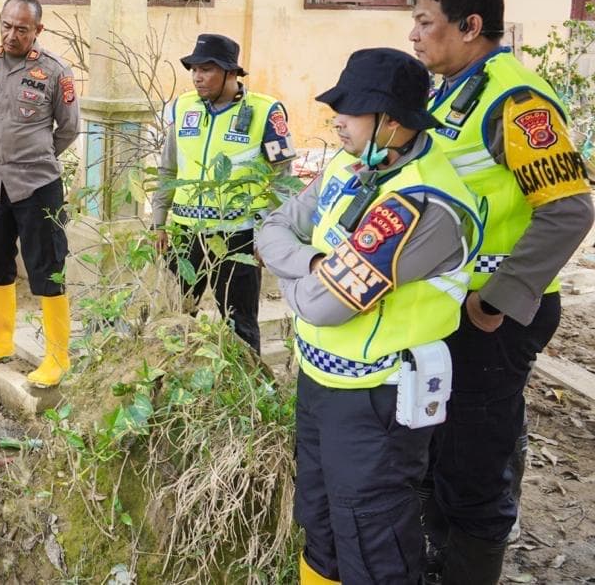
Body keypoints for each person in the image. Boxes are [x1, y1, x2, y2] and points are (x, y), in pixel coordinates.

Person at [256, 48, 483, 585]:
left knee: (372, 541)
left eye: (350, 110)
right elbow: (272, 227)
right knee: (320, 521)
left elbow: (320, 306)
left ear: (394, 122)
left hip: (376, 400)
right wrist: (313, 263)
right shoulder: (348, 165)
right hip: (320, 381)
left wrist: (296, 279)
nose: (336, 119)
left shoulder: (421, 203)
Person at [409, 0, 594, 583]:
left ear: (470, 26)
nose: (414, 35)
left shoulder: (514, 101)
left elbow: (569, 211)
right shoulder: (453, 90)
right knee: (444, 448)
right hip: (451, 311)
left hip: (493, 317)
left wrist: (497, 297)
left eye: (425, 22)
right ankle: (441, 560)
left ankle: (469, 569)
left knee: (475, 458)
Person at [0, 0, 81, 387]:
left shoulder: (55, 72)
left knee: (47, 268)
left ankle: (58, 357)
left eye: (21, 29)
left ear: (37, 31)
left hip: (38, 186)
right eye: (6, 26)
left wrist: (38, 157)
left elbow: (70, 128)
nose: (11, 35)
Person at [151, 33, 296, 353]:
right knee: (175, 316)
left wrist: (268, 233)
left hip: (239, 239)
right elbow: (168, 169)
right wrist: (159, 223)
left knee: (240, 322)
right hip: (186, 235)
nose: (197, 77)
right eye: (194, 69)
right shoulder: (182, 107)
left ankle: (249, 396)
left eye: (207, 69)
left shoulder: (266, 112)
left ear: (231, 73)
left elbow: (283, 180)